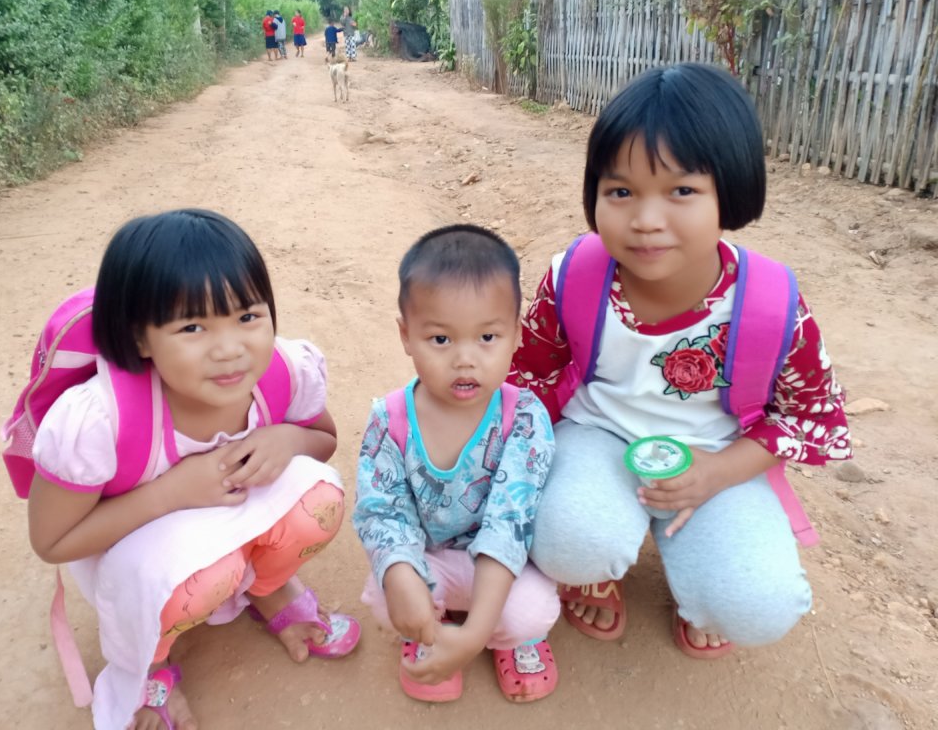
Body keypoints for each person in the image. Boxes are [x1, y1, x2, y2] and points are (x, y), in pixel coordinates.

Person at [510, 62, 851, 662]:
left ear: (730, 192)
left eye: (682, 191)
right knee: (564, 539)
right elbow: (528, 381)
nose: (646, 220)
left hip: (717, 453)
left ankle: (704, 593)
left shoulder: (771, 306)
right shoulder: (574, 278)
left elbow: (807, 416)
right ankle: (596, 566)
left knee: (756, 605)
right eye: (621, 191)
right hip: (597, 435)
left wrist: (717, 473)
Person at [27, 209, 360, 730]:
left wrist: (289, 438)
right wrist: (170, 493)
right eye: (192, 327)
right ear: (140, 338)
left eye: (247, 316)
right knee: (209, 576)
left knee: (319, 498)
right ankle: (148, 662)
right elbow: (53, 542)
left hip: (227, 517)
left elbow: (325, 440)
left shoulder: (282, 372)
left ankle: (268, 587)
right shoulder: (101, 419)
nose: (230, 350)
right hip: (137, 543)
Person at [353, 225, 560, 704]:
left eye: (487, 336)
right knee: (387, 598)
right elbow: (382, 510)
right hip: (430, 559)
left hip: (503, 566)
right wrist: (400, 572)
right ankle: (430, 629)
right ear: (406, 336)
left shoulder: (524, 418)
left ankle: (500, 639)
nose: (465, 360)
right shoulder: (390, 419)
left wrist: (475, 635)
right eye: (441, 339)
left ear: (515, 334)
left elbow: (509, 523)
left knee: (529, 613)